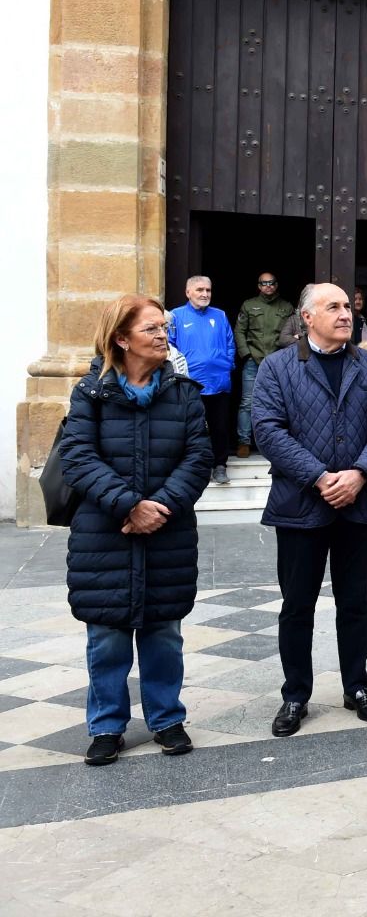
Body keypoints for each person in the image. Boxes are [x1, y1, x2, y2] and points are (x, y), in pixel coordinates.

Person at [59, 295, 212, 766]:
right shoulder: (90, 392)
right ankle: (106, 725)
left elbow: (199, 457)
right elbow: (77, 457)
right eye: (152, 329)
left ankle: (167, 719)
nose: (164, 335)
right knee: (106, 635)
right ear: (121, 339)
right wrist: (128, 505)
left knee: (164, 631)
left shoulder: (184, 392)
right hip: (105, 532)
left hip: (167, 530)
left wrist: (159, 506)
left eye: (164, 327)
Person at [252, 283, 367, 737]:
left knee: (355, 603)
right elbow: (268, 430)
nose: (345, 314)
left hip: (358, 503)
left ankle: (357, 686)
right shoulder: (277, 367)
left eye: (346, 307)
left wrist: (359, 474)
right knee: (297, 606)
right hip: (300, 505)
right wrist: (319, 477)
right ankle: (295, 694)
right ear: (307, 317)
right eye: (332, 307)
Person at [168, 275, 235, 484]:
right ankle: (195, 468)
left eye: (208, 290)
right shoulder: (175, 316)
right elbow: (169, 347)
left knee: (220, 427)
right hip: (189, 384)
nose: (205, 294)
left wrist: (226, 365)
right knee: (192, 428)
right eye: (199, 290)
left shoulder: (220, 315)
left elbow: (230, 343)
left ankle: (220, 465)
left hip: (218, 382)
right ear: (188, 292)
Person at [232, 271, 294, 459]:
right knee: (247, 402)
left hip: (279, 361)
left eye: (271, 283)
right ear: (259, 286)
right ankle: (244, 441)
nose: (268, 286)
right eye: (264, 283)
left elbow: (293, 332)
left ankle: (280, 443)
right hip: (254, 359)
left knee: (281, 402)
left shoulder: (286, 307)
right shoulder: (249, 305)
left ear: (276, 285)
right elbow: (239, 331)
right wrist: (246, 354)